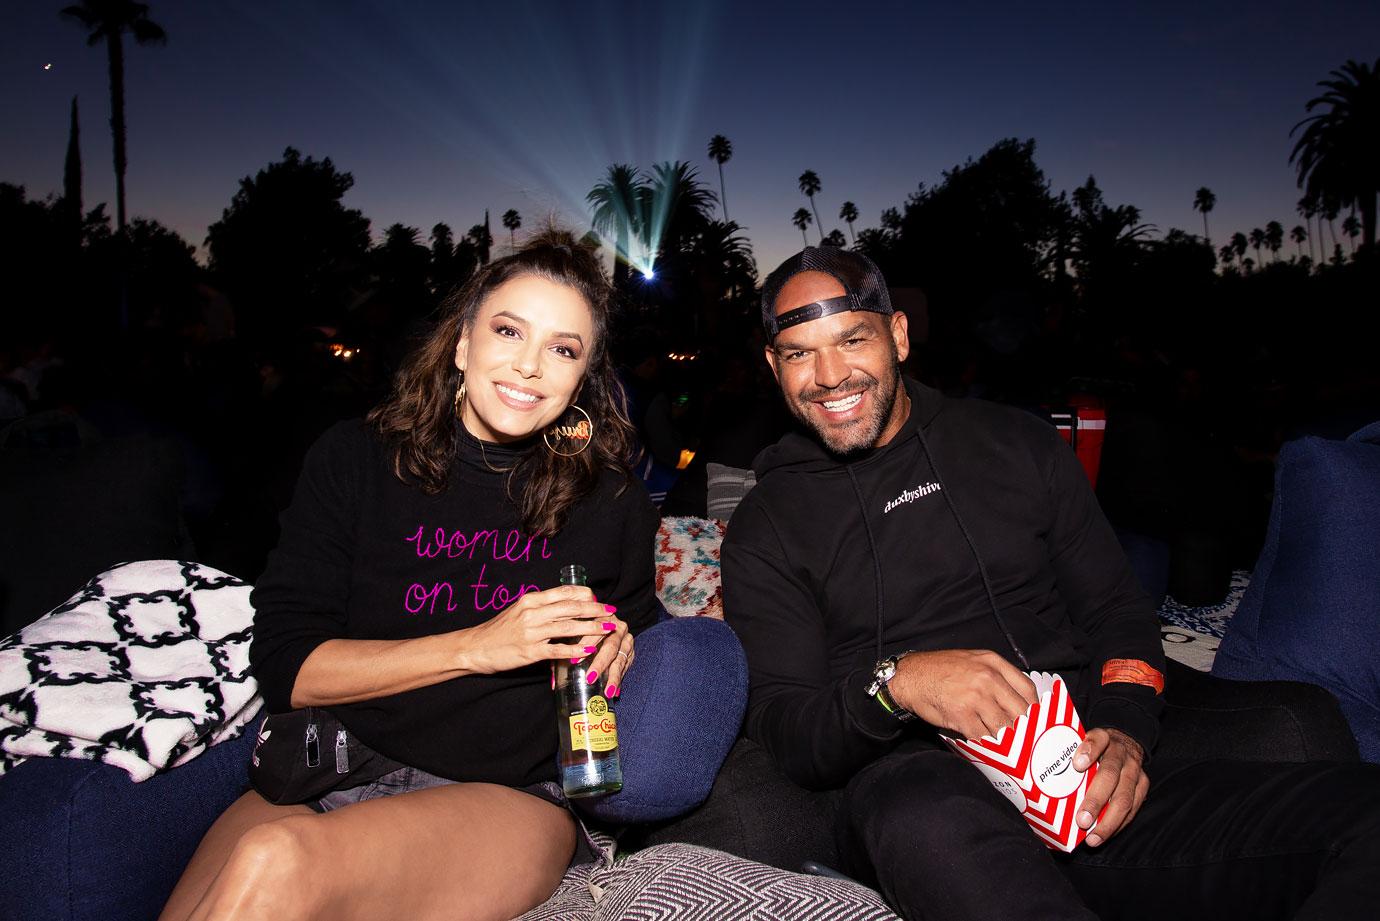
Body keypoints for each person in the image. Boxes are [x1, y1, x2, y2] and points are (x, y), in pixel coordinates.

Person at [722, 246, 1380, 920]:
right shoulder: (765, 526)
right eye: (800, 353)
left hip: (1081, 763)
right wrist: (900, 682)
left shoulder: (1018, 444)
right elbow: (789, 728)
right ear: (774, 367)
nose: (831, 377)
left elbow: (1119, 612)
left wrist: (1122, 730)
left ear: (897, 335)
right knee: (917, 809)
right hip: (920, 788)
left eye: (852, 339)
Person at [161, 231, 660, 921]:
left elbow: (638, 637)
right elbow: (288, 667)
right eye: (509, 330)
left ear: (583, 377)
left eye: (563, 348)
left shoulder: (610, 502)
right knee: (239, 874)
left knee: (275, 863)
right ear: (461, 343)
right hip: (328, 771)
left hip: (506, 799)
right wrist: (477, 645)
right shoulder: (355, 460)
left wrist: (625, 644)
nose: (529, 365)